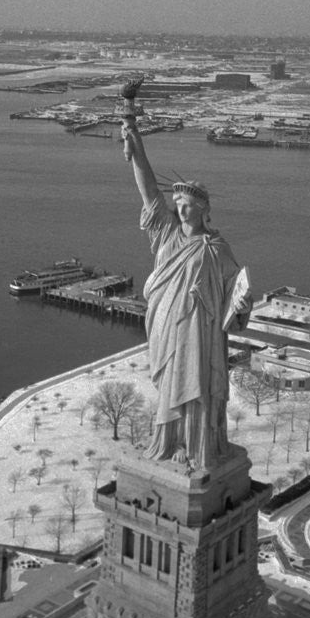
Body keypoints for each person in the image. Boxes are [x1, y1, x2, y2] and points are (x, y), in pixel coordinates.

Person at [122, 125, 252, 469]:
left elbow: (235, 290)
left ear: (203, 209)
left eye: (188, 205)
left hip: (199, 328)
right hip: (165, 322)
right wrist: (137, 147)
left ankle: (196, 445)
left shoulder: (216, 247)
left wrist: (242, 305)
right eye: (178, 204)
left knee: (195, 381)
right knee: (170, 379)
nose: (180, 210)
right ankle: (170, 441)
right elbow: (150, 192)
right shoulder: (167, 232)